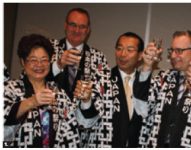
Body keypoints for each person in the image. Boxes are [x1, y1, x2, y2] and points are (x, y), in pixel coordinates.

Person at [134, 30, 191, 147]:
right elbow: (141, 107)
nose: (173, 55)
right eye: (172, 50)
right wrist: (147, 67)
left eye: (179, 51)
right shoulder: (163, 79)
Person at [49, 8, 113, 147]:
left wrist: (87, 100)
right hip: (48, 130)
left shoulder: (99, 58)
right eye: (73, 25)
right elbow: (33, 81)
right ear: (65, 26)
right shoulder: (48, 48)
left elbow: (103, 102)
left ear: (88, 30)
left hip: (81, 136)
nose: (77, 30)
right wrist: (58, 64)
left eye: (82, 26)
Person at [3, 34, 80, 147]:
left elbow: (72, 130)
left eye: (44, 60)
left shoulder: (59, 94)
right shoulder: (10, 89)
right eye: (33, 60)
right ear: (23, 62)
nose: (39, 65)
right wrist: (32, 102)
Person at [110, 32, 146, 147]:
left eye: (129, 50)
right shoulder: (103, 80)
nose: (122, 54)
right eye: (119, 48)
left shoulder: (146, 85)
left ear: (140, 55)